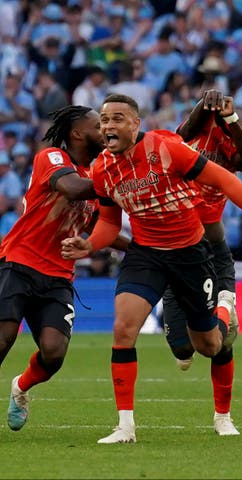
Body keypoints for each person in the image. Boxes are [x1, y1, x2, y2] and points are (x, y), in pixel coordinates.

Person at [60, 94, 242, 445]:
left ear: (136, 124)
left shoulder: (166, 148)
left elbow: (227, 180)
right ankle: (125, 427)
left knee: (210, 346)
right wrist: (90, 244)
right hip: (146, 255)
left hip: (190, 254)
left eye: (118, 118)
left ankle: (223, 413)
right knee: (123, 328)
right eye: (104, 120)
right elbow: (109, 222)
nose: (108, 126)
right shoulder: (103, 168)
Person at [0, 106, 109, 431]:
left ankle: (20, 387)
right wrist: (117, 179)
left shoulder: (93, 177)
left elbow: (98, 226)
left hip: (59, 276)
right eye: (97, 125)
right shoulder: (52, 158)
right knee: (3, 338)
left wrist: (143, 249)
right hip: (20, 262)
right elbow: (72, 189)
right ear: (77, 133)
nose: (104, 130)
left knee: (54, 352)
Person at [163, 88, 242, 436]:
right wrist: (201, 108)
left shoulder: (231, 144)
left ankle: (223, 417)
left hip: (211, 245)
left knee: (221, 342)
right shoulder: (185, 140)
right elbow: (183, 133)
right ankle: (203, 319)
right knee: (183, 349)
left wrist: (231, 119)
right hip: (176, 248)